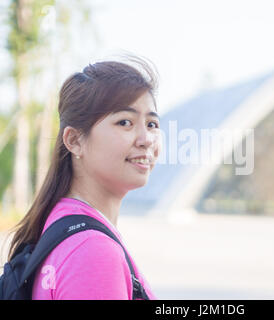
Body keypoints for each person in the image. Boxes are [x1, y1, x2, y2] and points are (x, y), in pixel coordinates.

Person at [6, 56, 161, 299]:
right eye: (125, 122)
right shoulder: (93, 251)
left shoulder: (60, 223)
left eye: (152, 124)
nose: (146, 139)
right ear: (74, 141)